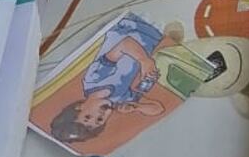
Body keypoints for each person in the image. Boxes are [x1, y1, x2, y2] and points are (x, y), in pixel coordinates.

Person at [48, 12, 166, 144]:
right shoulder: (119, 99)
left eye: (88, 116)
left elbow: (125, 44)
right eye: (99, 120)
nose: (100, 115)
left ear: (79, 107)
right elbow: (158, 109)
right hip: (156, 36)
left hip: (138, 23)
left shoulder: (95, 78)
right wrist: (137, 107)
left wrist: (145, 61)